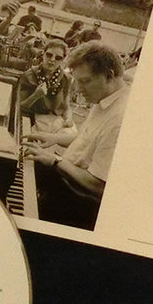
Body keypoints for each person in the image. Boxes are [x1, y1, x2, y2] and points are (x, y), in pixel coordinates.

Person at [22, 42, 130, 229]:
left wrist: (55, 160)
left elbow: (99, 185)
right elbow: (87, 140)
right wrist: (54, 139)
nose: (78, 89)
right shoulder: (104, 98)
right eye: (77, 81)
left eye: (85, 81)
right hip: (66, 182)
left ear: (109, 75)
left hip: (77, 201)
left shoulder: (120, 119)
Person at [17, 38, 72, 123]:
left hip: (52, 120)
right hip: (29, 118)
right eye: (49, 55)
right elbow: (19, 106)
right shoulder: (29, 75)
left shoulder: (66, 78)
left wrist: (68, 118)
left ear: (62, 60)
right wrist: (36, 95)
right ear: (43, 55)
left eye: (58, 58)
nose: (52, 59)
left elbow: (66, 106)